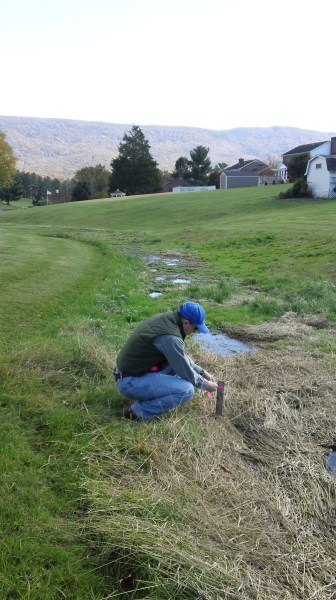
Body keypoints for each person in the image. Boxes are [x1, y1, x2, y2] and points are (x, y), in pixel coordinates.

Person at [113, 301, 218, 420]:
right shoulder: (170, 337)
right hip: (128, 382)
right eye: (195, 329)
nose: (195, 332)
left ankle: (148, 396)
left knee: (174, 366)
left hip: (128, 373)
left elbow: (180, 356)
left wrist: (202, 372)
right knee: (186, 390)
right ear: (186, 322)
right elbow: (184, 370)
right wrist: (205, 384)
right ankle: (136, 413)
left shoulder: (168, 320)